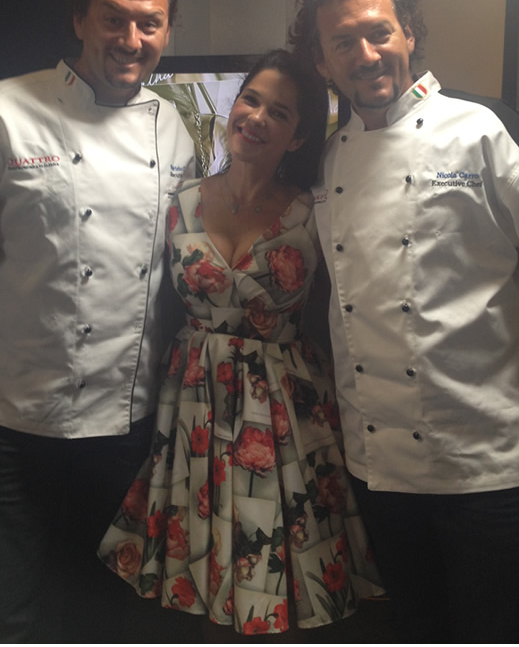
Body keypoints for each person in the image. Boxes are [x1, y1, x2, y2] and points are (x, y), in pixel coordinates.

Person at [289, 0, 519, 643]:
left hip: (492, 464)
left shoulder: (486, 127)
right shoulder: (328, 160)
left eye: (380, 32)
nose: (366, 54)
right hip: (379, 467)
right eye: (342, 42)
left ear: (409, 34)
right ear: (321, 62)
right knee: (413, 627)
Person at [98, 49, 383, 637]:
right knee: (197, 549)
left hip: (285, 406)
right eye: (250, 100)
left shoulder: (315, 210)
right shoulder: (180, 202)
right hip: (193, 399)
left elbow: (348, 306)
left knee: (281, 550)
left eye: (279, 112)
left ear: (297, 135)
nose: (256, 117)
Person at [0, 0, 195, 642]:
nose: (131, 39)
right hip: (16, 418)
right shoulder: (9, 111)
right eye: (114, 18)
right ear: (79, 19)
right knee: (13, 607)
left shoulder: (172, 128)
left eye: (150, 23)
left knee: (103, 610)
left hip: (125, 423)